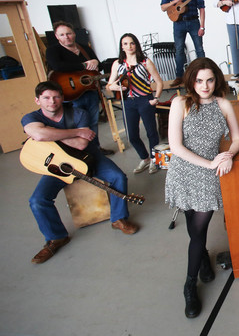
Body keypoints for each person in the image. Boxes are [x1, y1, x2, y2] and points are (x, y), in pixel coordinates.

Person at [22, 81, 139, 264]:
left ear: (62, 98)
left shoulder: (78, 113)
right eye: (46, 98)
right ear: (37, 100)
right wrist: (75, 132)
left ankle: (119, 219)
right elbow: (38, 135)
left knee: (117, 177)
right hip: (57, 165)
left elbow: (81, 144)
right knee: (37, 200)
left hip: (88, 157)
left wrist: (48, 135)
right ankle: (57, 237)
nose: (51, 101)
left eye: (56, 97)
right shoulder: (30, 117)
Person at [165, 58, 239, 318]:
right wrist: (210, 164)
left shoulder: (223, 104)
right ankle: (202, 259)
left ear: (216, 80)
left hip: (208, 174)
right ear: (191, 81)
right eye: (199, 80)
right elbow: (175, 147)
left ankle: (189, 285)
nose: (205, 85)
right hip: (185, 171)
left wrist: (229, 154)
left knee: (198, 230)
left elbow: (238, 138)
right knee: (192, 224)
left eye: (209, 80)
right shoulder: (180, 103)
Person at [46, 21, 114, 155]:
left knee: (93, 122)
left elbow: (97, 67)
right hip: (70, 95)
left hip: (89, 91)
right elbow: (58, 66)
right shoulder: (53, 50)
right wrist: (83, 65)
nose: (67, 37)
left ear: (74, 34)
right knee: (75, 124)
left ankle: (96, 149)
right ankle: (81, 151)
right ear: (57, 36)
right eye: (62, 35)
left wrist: (96, 62)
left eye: (69, 33)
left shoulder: (84, 48)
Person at [106, 33, 164, 174]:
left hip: (145, 100)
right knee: (132, 135)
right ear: (122, 46)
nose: (129, 46)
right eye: (125, 44)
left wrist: (155, 98)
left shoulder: (145, 62)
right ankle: (145, 159)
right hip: (128, 102)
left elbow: (159, 82)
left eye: (132, 43)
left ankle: (154, 159)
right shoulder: (118, 64)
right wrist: (113, 86)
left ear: (136, 45)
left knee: (151, 132)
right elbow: (109, 85)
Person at [161, 0, 206, 87]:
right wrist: (174, 1)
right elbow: (163, 7)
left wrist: (202, 26)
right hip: (178, 23)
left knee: (199, 49)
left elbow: (202, 8)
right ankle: (179, 76)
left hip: (193, 21)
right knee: (179, 50)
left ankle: (203, 74)